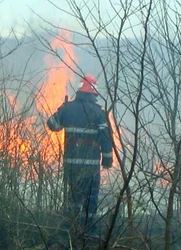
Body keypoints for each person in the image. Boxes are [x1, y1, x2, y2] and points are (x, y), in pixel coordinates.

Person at [46, 74, 113, 237]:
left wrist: (62, 110)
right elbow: (106, 137)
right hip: (91, 167)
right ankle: (89, 232)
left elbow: (52, 125)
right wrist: (107, 159)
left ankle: (70, 230)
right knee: (91, 199)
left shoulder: (68, 108)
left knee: (73, 198)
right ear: (94, 93)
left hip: (71, 166)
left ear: (80, 90)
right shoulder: (99, 113)